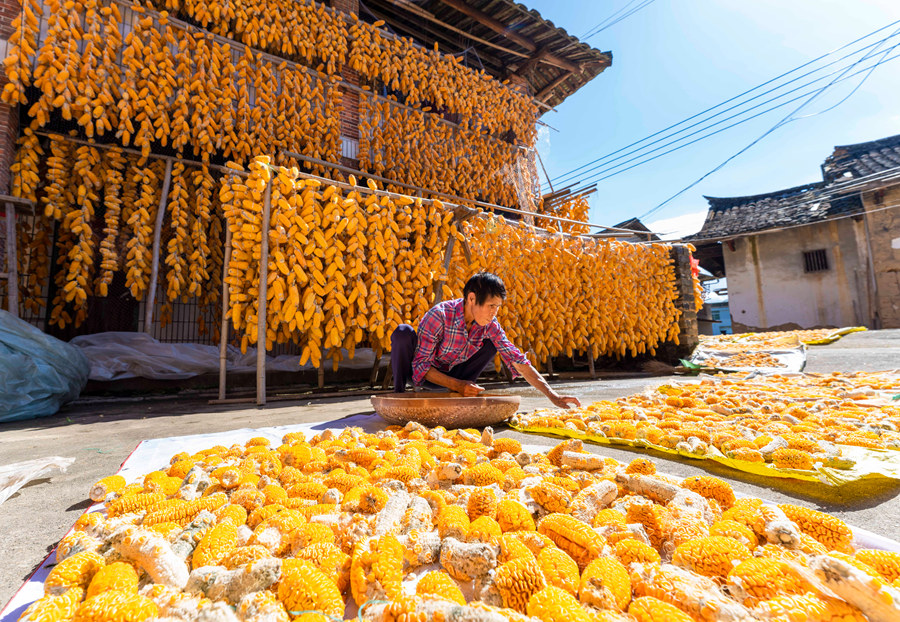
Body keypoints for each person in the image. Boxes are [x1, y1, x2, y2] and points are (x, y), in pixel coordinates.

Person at [390, 271, 581, 409]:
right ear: (471, 299)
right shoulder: (439, 315)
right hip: (422, 373)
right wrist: (457, 385)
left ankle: (464, 393)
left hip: (456, 374)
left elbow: (518, 360)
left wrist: (553, 395)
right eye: (491, 305)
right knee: (403, 332)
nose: (494, 312)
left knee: (492, 343)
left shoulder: (490, 324)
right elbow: (421, 366)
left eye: (497, 307)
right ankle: (397, 396)